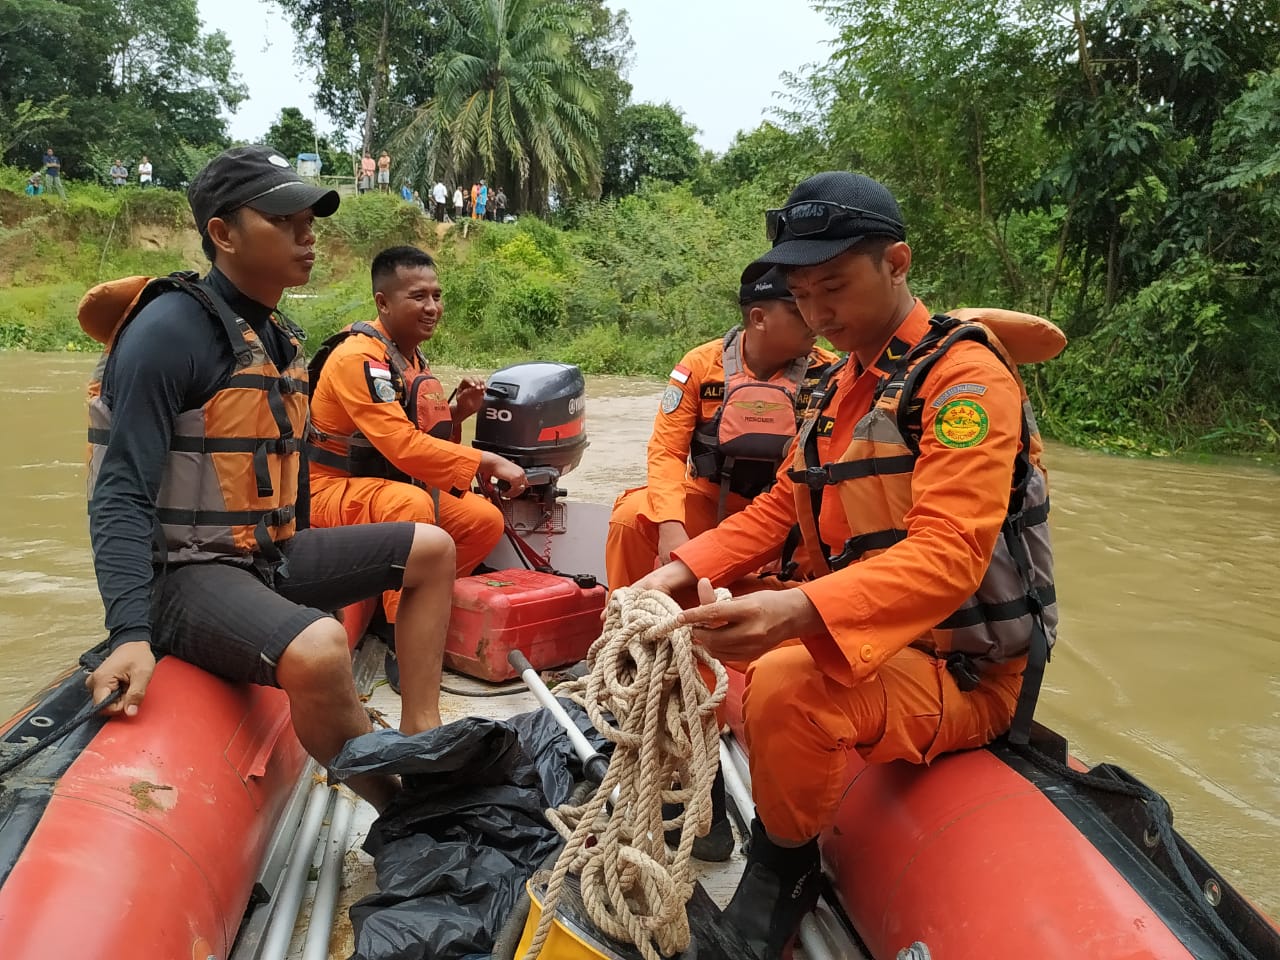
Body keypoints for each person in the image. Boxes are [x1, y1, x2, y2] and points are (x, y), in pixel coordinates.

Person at [633, 171, 1058, 959]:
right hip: (878, 639)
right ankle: (709, 804)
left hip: (964, 670)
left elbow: (947, 556)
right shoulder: (837, 386)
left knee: (791, 682)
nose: (819, 312)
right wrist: (678, 571)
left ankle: (784, 869)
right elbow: (778, 509)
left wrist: (795, 614)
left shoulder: (964, 381)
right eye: (803, 295)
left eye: (835, 286)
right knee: (684, 619)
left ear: (897, 263)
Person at [82, 145, 458, 814]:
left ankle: (421, 736)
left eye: (309, 218)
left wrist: (310, 563)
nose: (306, 233)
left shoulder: (278, 332)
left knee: (431, 547)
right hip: (181, 574)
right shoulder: (170, 331)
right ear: (222, 234)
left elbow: (290, 470)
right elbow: (121, 491)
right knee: (320, 645)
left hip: (265, 555)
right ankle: (401, 808)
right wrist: (128, 634)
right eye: (284, 219)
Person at [306, 245, 527, 687]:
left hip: (381, 486)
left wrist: (460, 413)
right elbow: (403, 447)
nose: (432, 308)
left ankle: (421, 607)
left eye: (437, 295)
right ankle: (399, 635)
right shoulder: (358, 359)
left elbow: (424, 441)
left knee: (483, 521)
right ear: (383, 302)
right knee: (413, 508)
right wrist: (489, 459)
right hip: (326, 490)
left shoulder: (409, 359)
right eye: (418, 296)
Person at [605, 262, 839, 590]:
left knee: (835, 540)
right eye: (798, 309)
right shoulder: (699, 367)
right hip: (710, 500)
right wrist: (671, 526)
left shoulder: (832, 374)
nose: (815, 318)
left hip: (790, 512)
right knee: (631, 518)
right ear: (759, 318)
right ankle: (630, 624)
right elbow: (666, 451)